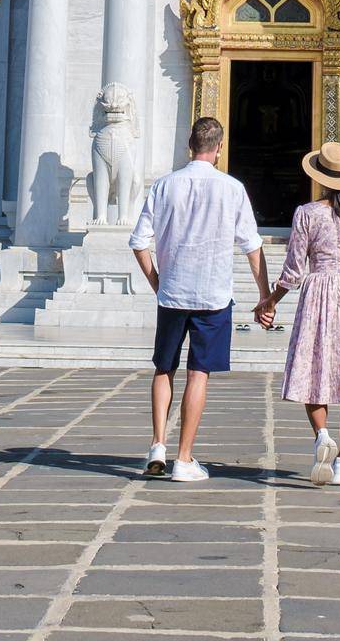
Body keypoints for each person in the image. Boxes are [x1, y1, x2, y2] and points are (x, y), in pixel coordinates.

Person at [130, 114, 268, 482]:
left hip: (172, 293)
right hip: (213, 295)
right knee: (198, 373)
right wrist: (265, 296)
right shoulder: (232, 188)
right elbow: (253, 248)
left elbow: (139, 242)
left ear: (189, 145)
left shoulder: (164, 186)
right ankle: (184, 458)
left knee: (164, 368)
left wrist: (157, 282)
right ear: (219, 149)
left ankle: (157, 444)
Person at [255, 140, 340, 486]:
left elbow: (293, 270)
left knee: (313, 371)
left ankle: (321, 434)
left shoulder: (307, 213)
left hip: (318, 291)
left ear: (320, 178)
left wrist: (271, 301)